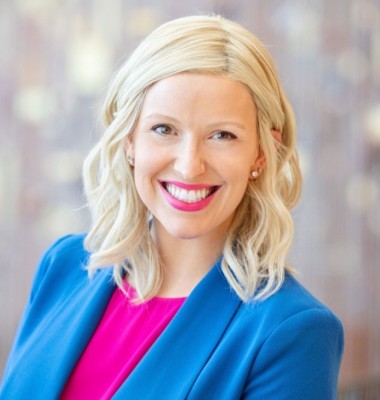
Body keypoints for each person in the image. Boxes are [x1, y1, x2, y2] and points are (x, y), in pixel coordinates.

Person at [0, 15, 344, 399]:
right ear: (129, 139)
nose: (189, 165)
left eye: (222, 135)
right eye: (164, 129)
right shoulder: (63, 268)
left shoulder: (292, 332)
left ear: (262, 153)